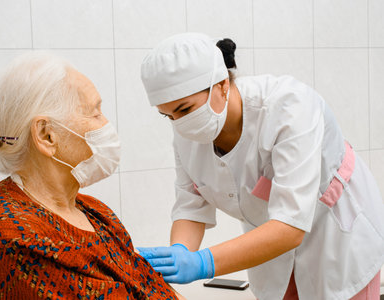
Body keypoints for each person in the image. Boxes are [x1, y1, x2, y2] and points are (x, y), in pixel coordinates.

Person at [137, 32, 384, 300]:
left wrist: (203, 263)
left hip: (335, 238)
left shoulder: (289, 107)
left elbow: (289, 226)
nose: (179, 123)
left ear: (221, 85)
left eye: (184, 109)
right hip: (267, 242)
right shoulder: (187, 131)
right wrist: (180, 253)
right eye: (167, 115)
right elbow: (190, 206)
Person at [0, 52, 184, 300]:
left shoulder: (95, 213)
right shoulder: (19, 240)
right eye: (95, 113)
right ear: (46, 135)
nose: (106, 124)